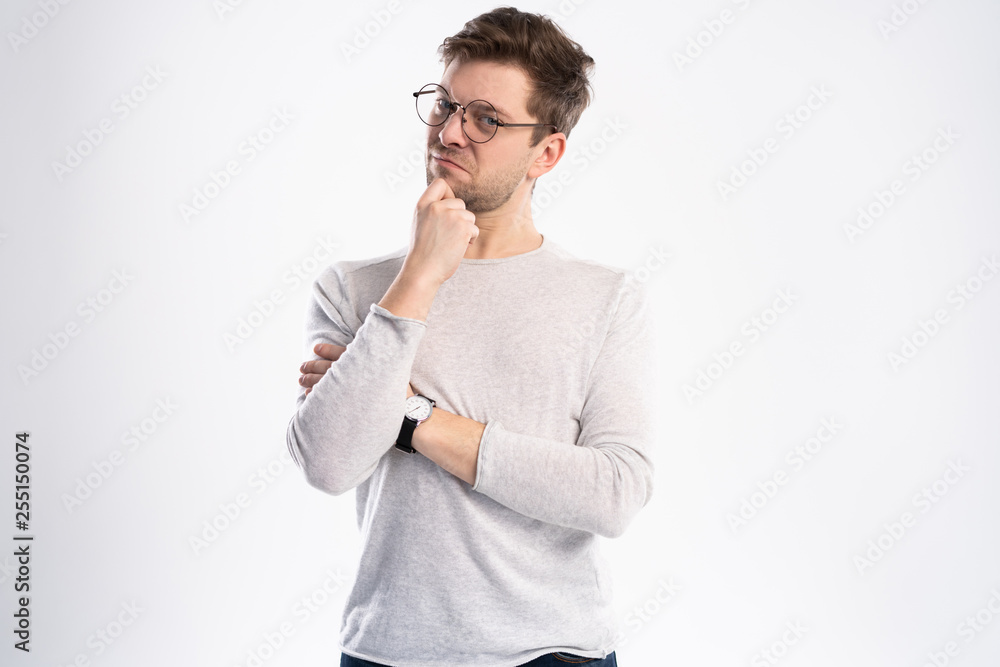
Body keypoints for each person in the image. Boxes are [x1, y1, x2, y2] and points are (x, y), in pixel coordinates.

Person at [286, 7, 657, 666]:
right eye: (446, 104)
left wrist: (410, 416)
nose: (451, 131)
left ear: (547, 152)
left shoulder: (604, 297)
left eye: (486, 118)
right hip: (387, 651)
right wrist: (418, 278)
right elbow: (328, 463)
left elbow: (614, 492)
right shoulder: (354, 288)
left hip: (553, 652)